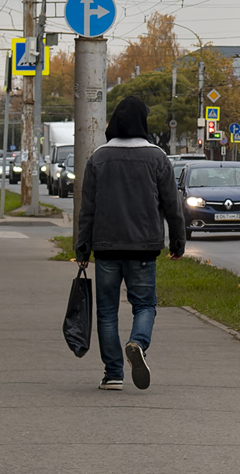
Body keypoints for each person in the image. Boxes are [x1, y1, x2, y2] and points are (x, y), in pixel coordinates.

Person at [75, 96, 185, 391]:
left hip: (106, 247)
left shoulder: (98, 158)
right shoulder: (157, 157)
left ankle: (113, 374)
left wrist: (82, 247)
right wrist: (177, 241)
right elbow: (172, 205)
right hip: (144, 247)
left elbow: (87, 209)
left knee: (106, 311)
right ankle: (137, 343)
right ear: (142, 122)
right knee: (145, 304)